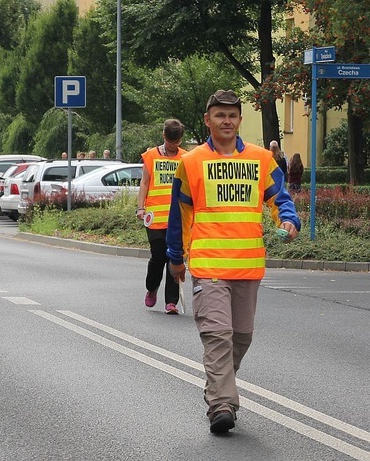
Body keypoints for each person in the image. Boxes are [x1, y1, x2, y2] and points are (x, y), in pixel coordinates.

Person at [166, 90, 300, 434]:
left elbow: (279, 198)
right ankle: (222, 404)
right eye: (220, 115)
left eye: (232, 115)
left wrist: (288, 220)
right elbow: (178, 215)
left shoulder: (260, 159)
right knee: (217, 334)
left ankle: (217, 385)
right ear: (207, 120)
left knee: (241, 336)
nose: (227, 121)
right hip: (209, 266)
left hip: (247, 266)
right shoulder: (192, 161)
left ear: (240, 120)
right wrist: (176, 258)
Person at [136, 119, 187, 315]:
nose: (174, 145)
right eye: (171, 141)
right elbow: (145, 183)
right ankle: (152, 287)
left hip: (178, 218)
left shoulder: (185, 157)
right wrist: (141, 208)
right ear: (164, 136)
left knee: (174, 258)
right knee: (158, 256)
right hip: (155, 216)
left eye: (177, 141)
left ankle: (171, 302)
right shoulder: (151, 156)